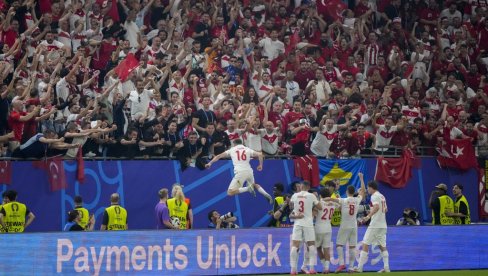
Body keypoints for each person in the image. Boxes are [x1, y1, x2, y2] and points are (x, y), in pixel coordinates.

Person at [205, 138, 273, 203]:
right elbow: (260, 154)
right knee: (254, 185)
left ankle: (248, 189)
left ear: (234, 144)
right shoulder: (247, 149)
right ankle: (266, 194)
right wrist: (260, 165)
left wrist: (209, 163)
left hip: (240, 172)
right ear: (242, 143)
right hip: (249, 171)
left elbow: (218, 156)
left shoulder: (232, 149)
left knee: (230, 192)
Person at [326, 173, 366, 273]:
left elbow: (332, 199)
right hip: (354, 226)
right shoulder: (357, 200)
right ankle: (351, 267)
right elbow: (363, 191)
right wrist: (361, 179)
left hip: (344, 225)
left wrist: (326, 199)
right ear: (354, 192)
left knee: (339, 245)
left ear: (347, 191)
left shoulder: (343, 200)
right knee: (352, 247)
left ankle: (342, 264)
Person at [355, 180, 390, 273]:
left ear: (371, 187)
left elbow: (377, 207)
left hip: (375, 225)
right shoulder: (382, 196)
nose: (367, 189)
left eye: (367, 188)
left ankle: (360, 267)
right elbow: (385, 209)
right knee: (382, 246)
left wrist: (368, 216)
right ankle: (386, 268)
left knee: (365, 243)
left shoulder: (374, 196)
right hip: (383, 225)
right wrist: (372, 211)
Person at [289, 181, 322, 275]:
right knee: (311, 245)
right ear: (308, 187)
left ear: (301, 186)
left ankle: (293, 270)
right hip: (308, 223)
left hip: (298, 223)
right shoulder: (311, 195)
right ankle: (311, 269)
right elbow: (319, 207)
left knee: (295, 246)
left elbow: (291, 205)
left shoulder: (294, 195)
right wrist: (315, 202)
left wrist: (296, 210)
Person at [315, 188, 338, 274]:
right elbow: (339, 206)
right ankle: (327, 268)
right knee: (326, 249)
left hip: (319, 227)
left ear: (321, 195)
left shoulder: (319, 203)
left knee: (318, 248)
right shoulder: (333, 204)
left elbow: (314, 212)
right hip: (328, 227)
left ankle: (324, 266)